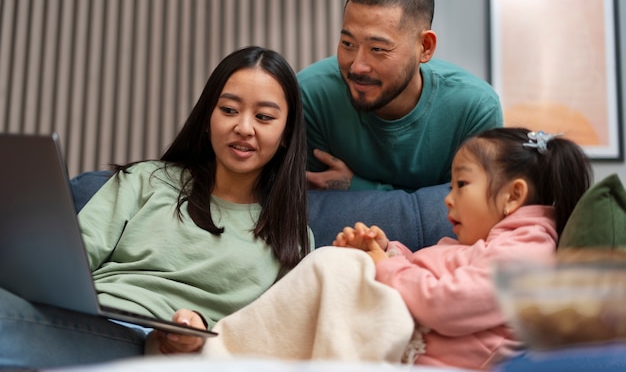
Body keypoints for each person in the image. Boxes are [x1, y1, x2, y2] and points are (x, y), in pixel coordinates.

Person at [162, 127, 591, 372]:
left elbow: (447, 302)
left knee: (335, 267)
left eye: (461, 184)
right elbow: (434, 270)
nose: (448, 198)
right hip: (406, 343)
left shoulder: (526, 255)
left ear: (513, 197)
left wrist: (383, 267)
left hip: (426, 359)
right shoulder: (489, 245)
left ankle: (218, 350)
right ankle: (227, 349)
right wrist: (386, 249)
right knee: (337, 266)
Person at [0, 46, 313, 369]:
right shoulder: (146, 180)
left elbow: (274, 335)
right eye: (229, 110)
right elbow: (69, 261)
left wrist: (199, 335)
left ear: (286, 132)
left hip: (153, 344)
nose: (244, 127)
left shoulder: (291, 237)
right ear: (209, 117)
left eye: (263, 117)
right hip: (87, 316)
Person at [298, 0, 503, 191]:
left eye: (377, 48)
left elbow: (467, 213)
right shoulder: (311, 94)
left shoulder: (474, 107)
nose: (357, 66)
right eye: (348, 44)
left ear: (425, 47)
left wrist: (357, 187)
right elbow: (316, 207)